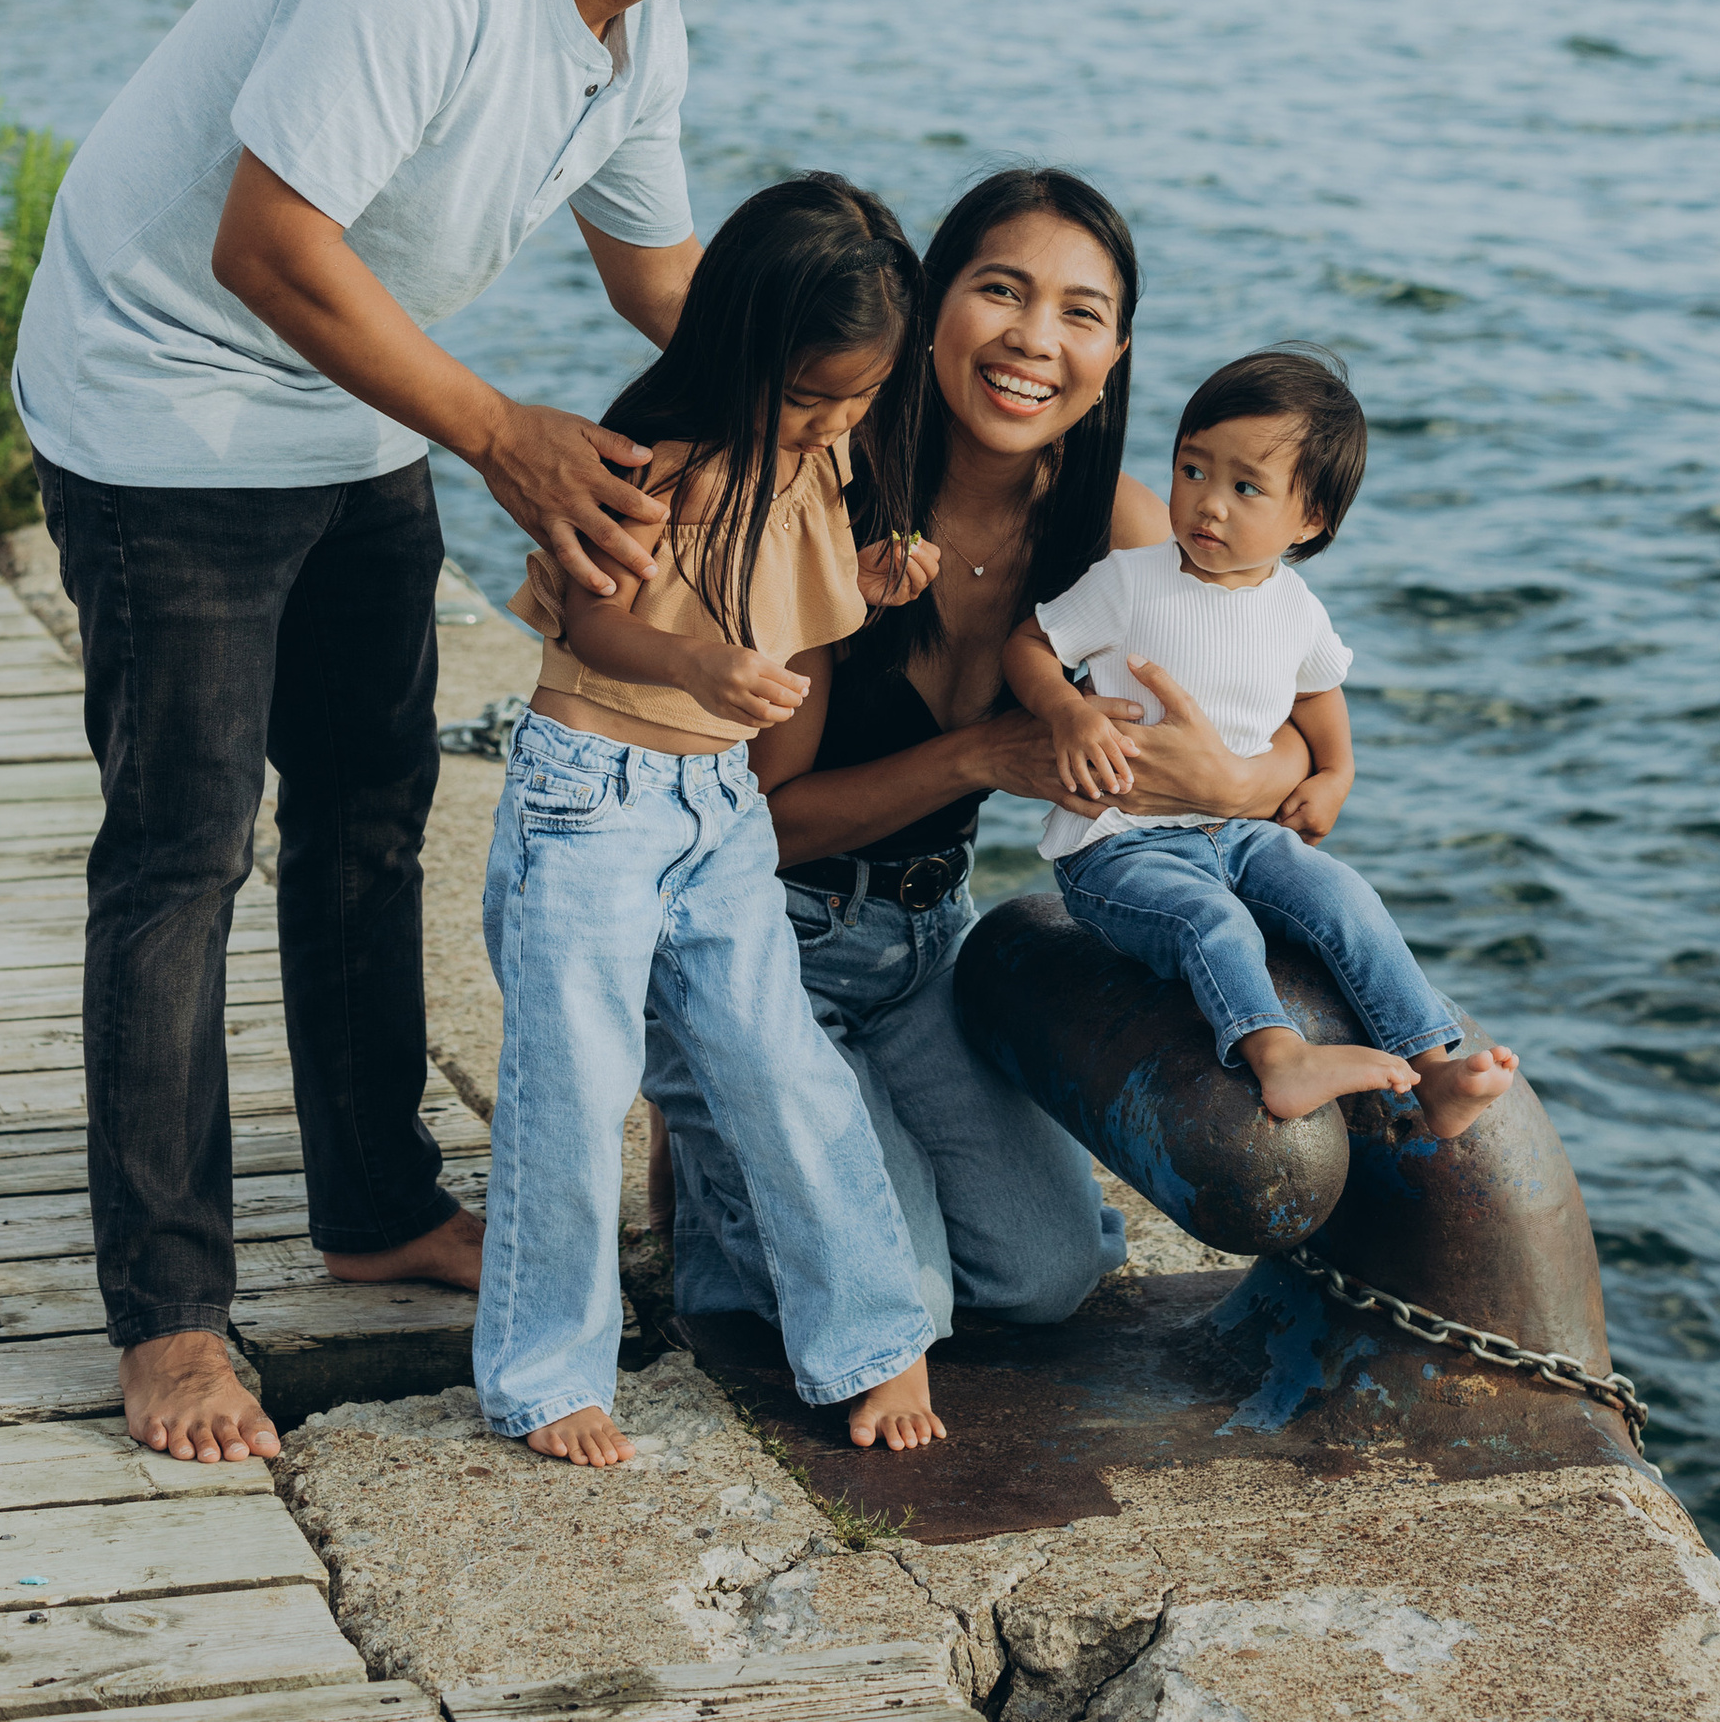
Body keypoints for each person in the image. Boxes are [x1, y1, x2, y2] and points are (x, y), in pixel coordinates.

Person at [11, 0, 844, 1466]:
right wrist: (501, 435)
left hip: (344, 396)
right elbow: (261, 244)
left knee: (374, 804)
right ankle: (168, 1316)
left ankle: (376, 1207)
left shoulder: (639, 36)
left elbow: (665, 289)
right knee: (182, 850)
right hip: (166, 396)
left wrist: (844, 421)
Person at [644, 167, 1326, 1346]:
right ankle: (709, 1112)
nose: (1033, 340)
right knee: (900, 1307)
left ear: (1113, 355)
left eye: (1079, 313)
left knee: (1044, 1277)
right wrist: (982, 756)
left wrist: (1234, 784)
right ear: (928, 307)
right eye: (1000, 291)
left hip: (925, 947)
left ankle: (790, 1152)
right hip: (760, 929)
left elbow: (1294, 741)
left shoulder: (1117, 531)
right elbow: (766, 822)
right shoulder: (830, 490)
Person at [480, 174, 948, 1466]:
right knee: (573, 1085)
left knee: (781, 1065)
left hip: (719, 806)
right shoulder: (654, 460)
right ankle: (547, 1371)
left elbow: (785, 577)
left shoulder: (819, 453)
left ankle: (871, 1337)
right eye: (808, 398)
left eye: (858, 398)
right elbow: (592, 622)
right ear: (743, 349)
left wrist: (870, 577)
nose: (832, 424)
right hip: (593, 798)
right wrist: (693, 666)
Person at [1007, 348, 1520, 1136]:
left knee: (1343, 898)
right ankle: (1278, 1056)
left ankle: (1433, 1068)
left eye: (1245, 488)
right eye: (1192, 470)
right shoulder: (1130, 581)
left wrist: (1336, 774)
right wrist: (1065, 712)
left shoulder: (1296, 609)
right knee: (1211, 920)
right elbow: (1030, 645)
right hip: (1117, 845)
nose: (1207, 504)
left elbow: (1318, 694)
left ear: (1309, 520)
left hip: (1241, 832)